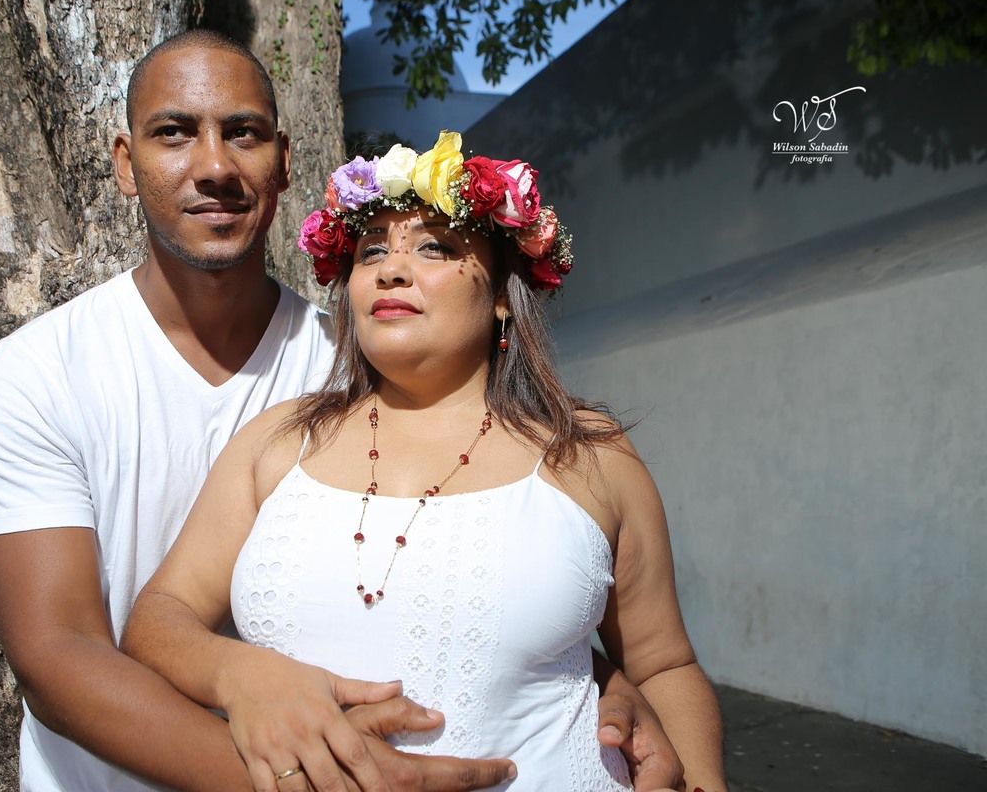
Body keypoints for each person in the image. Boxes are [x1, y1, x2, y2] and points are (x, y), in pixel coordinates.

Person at [0, 31, 685, 792]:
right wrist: (306, 773)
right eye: (174, 133)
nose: (214, 166)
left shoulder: (358, 367)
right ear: (125, 161)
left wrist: (594, 677)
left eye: (241, 133)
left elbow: (484, 577)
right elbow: (58, 658)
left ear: (282, 161)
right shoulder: (41, 371)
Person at [120, 133, 728, 792]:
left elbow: (664, 666)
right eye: (371, 249)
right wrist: (241, 677)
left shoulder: (587, 452)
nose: (390, 269)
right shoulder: (274, 445)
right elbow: (158, 620)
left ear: (501, 292)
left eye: (435, 246)